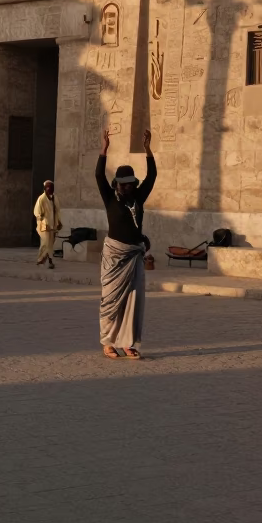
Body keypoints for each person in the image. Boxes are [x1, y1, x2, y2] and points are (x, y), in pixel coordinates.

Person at [95, 129, 156, 360]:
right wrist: (104, 149)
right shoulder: (110, 197)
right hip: (114, 256)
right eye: (123, 184)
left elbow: (152, 177)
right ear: (117, 184)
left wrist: (148, 149)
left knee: (133, 301)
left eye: (130, 183)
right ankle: (108, 342)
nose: (127, 187)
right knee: (111, 300)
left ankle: (128, 343)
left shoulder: (138, 198)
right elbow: (99, 176)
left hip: (134, 256)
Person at [33, 180, 62, 269]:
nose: (49, 188)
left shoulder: (54, 198)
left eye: (50, 187)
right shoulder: (41, 198)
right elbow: (37, 211)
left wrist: (59, 222)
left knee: (50, 244)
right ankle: (40, 259)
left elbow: (57, 211)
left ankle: (49, 261)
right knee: (45, 243)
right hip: (44, 226)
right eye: (47, 187)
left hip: (53, 225)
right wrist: (41, 218)